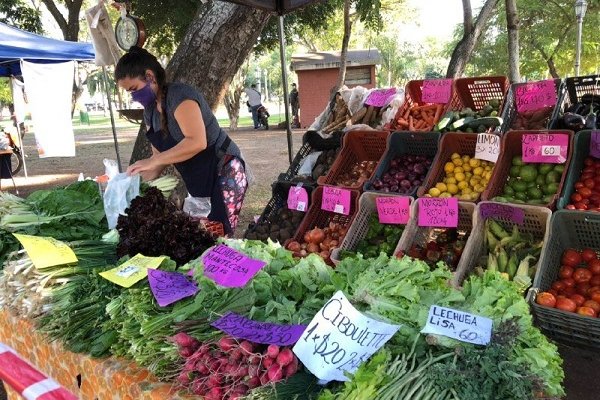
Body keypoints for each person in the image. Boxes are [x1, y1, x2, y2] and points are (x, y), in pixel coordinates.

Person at [115, 46, 248, 235]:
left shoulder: (180, 96)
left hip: (225, 171)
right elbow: (159, 159)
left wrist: (153, 161)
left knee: (219, 233)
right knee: (200, 233)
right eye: (129, 92)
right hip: (198, 178)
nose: (133, 96)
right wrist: (131, 183)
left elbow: (197, 142)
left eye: (134, 89)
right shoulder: (150, 112)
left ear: (150, 76)